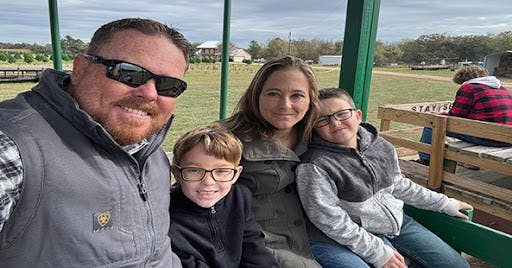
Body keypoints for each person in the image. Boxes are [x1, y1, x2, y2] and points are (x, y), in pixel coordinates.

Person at [0, 18, 190, 267]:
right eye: (129, 73)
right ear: (80, 69)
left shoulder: (151, 151)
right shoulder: (12, 146)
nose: (150, 93)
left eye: (169, 85)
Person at [296, 87, 473, 268]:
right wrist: (377, 252)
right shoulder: (316, 166)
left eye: (342, 114)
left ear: (357, 115)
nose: (335, 123)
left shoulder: (381, 146)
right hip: (359, 232)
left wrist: (443, 203)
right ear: (314, 127)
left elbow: (399, 185)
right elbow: (329, 219)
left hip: (398, 224)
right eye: (323, 120)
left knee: (457, 265)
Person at [222, 56, 333, 267]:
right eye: (273, 93)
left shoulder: (319, 135)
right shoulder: (226, 140)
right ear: (257, 96)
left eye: (297, 95)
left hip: (320, 237)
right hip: (264, 249)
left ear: (311, 100)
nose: (285, 105)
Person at [169, 124, 278, 267]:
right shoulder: (167, 216)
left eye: (221, 171)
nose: (208, 182)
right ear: (176, 173)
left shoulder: (239, 198)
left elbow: (255, 250)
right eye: (194, 170)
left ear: (236, 174)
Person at [418, 65, 512, 164]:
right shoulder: (501, 88)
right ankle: (468, 162)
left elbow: (456, 115)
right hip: (507, 137)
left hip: (491, 138)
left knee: (432, 125)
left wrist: (442, 115)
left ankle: (426, 160)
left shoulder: (469, 87)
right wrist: (446, 114)